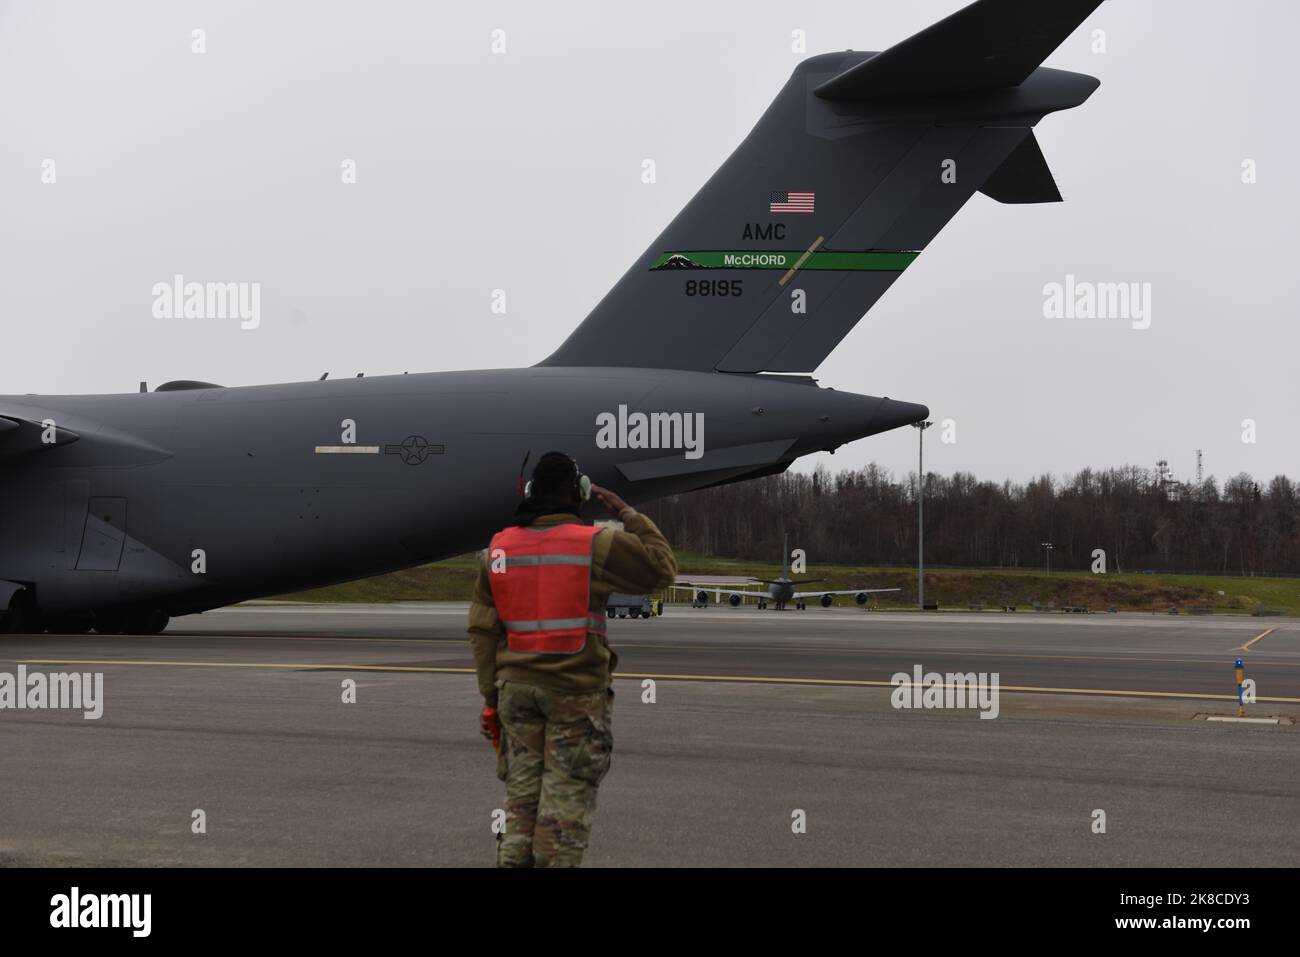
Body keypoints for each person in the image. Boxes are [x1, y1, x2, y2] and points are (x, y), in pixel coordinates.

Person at [468, 451, 676, 867]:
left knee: (521, 803)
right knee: (563, 810)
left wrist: (492, 696)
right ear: (579, 493)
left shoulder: (499, 549)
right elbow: (662, 569)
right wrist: (628, 513)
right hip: (574, 693)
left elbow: (483, 630)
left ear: (530, 492)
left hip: (516, 694)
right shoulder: (597, 544)